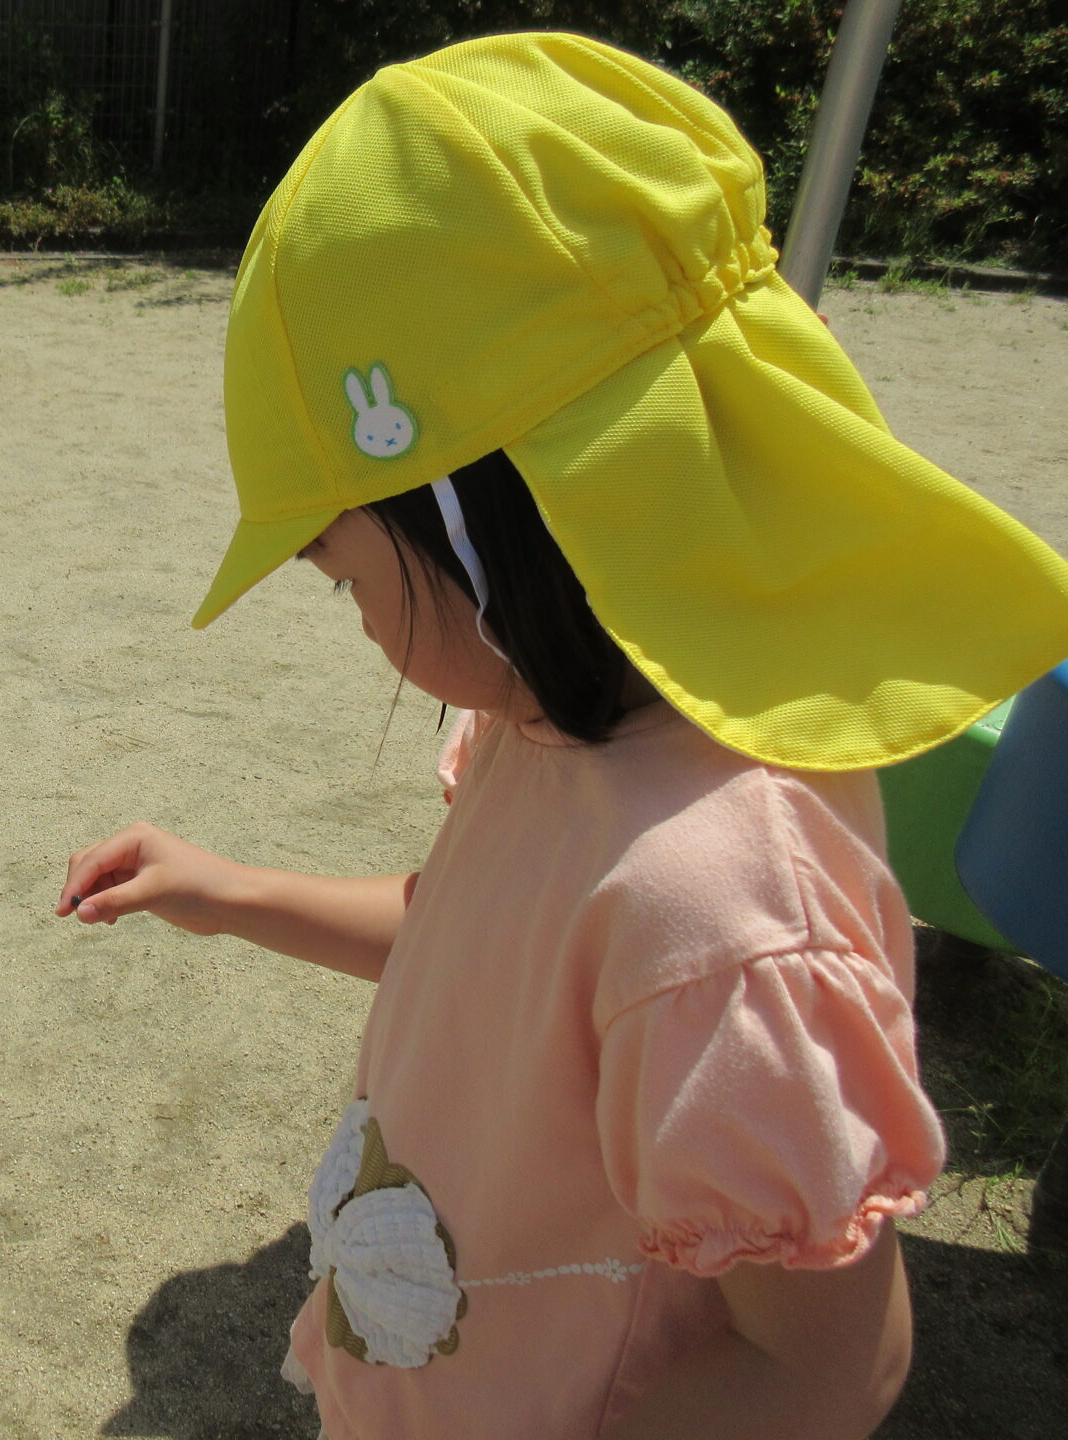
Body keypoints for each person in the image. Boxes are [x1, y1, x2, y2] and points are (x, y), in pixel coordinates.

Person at [59, 33, 1068, 1440]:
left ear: (493, 515)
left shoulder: (722, 909)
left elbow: (827, 1365)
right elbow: (484, 945)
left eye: (342, 571)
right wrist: (232, 892)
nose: (348, 611)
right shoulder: (546, 727)